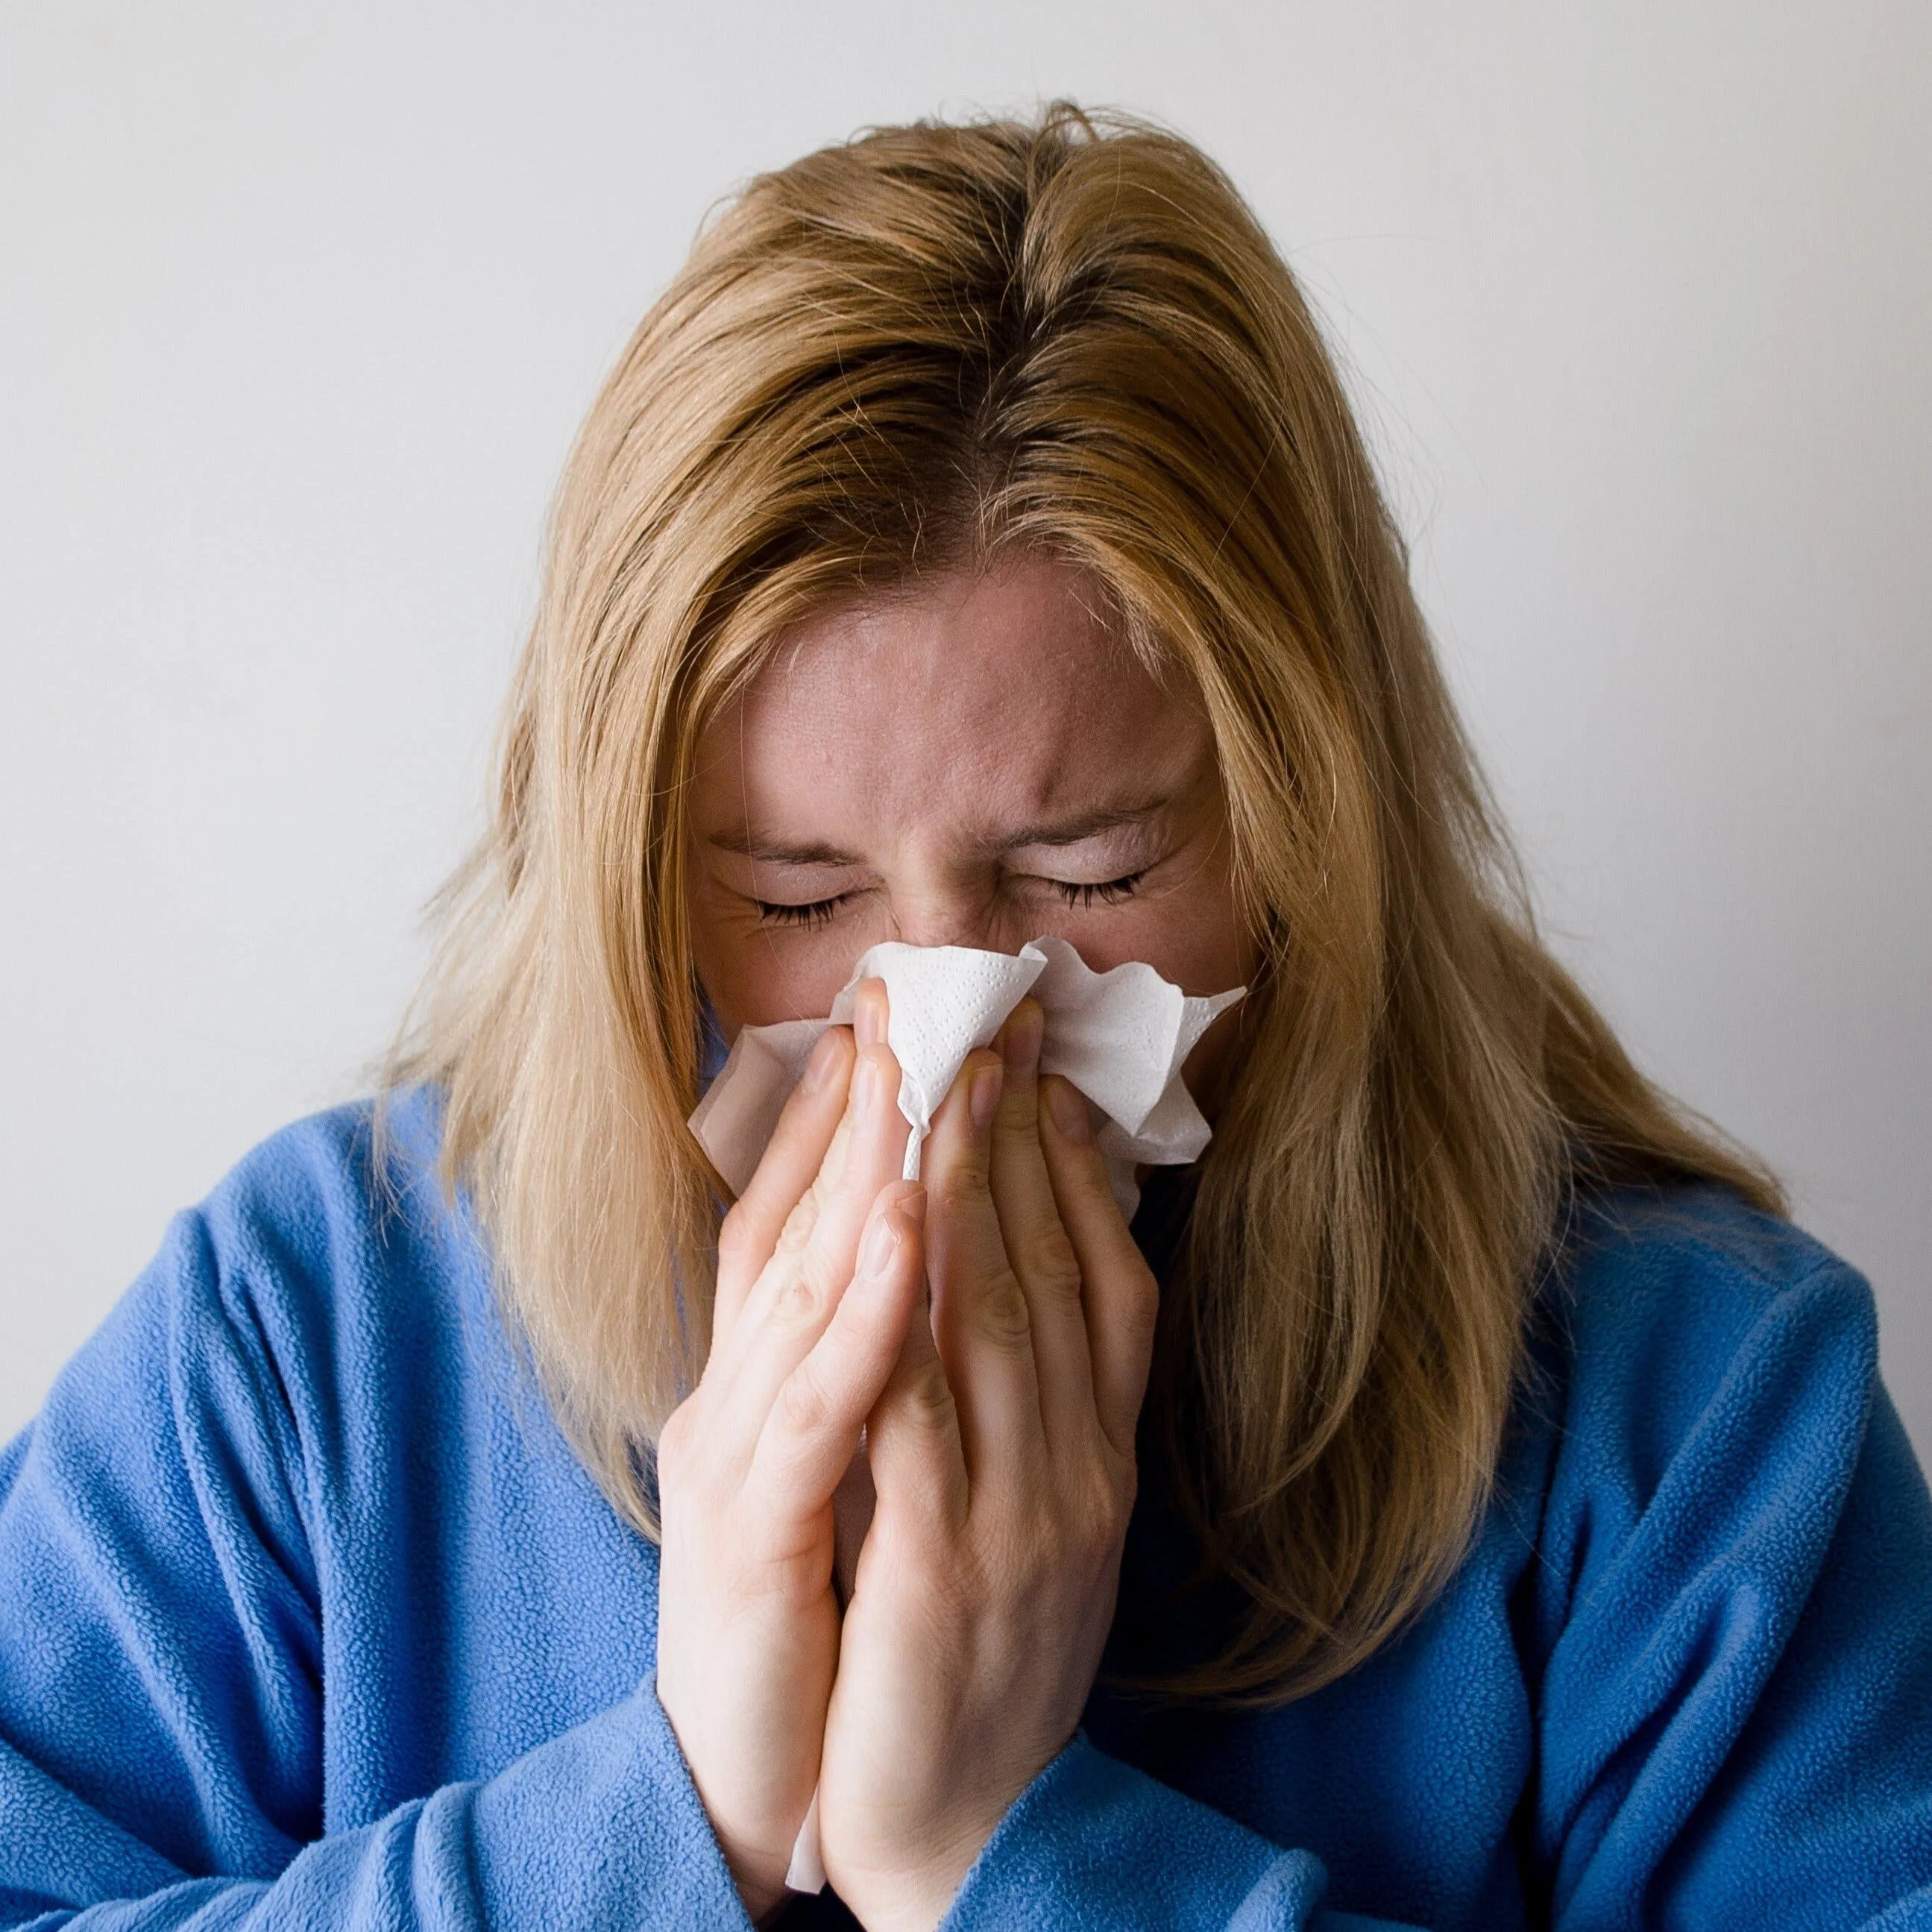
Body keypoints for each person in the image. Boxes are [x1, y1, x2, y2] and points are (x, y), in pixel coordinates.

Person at [1, 104, 1926, 1932]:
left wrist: (1001, 1858)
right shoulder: (308, 1334)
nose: (944, 1030)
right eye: (793, 898)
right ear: (630, 883)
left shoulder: (1692, 1409)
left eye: (1088, 873)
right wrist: (677, 1814)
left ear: (1303, 830)